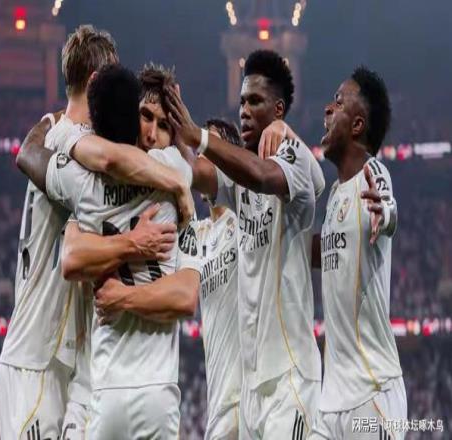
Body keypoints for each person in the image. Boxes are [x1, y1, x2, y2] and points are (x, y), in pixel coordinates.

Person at [0, 25, 189, 440]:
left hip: (77, 359)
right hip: (37, 355)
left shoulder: (54, 133)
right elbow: (110, 160)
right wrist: (176, 183)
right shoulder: (72, 141)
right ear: (96, 81)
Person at [165, 49, 325, 439]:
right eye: (241, 102)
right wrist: (168, 131)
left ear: (278, 108)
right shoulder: (239, 184)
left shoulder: (294, 158)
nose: (244, 111)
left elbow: (264, 176)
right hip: (251, 387)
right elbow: (197, 172)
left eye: (255, 101)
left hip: (290, 376)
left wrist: (201, 137)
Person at [308, 67, 405, 440]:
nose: (327, 109)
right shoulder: (336, 195)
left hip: (373, 394)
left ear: (358, 124)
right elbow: (321, 250)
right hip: (331, 401)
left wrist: (387, 212)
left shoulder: (372, 173)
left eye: (338, 102)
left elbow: (387, 203)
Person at [196, 119, 242, 440]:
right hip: (217, 406)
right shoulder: (199, 235)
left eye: (209, 149)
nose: (200, 158)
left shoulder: (244, 221)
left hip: (246, 402)